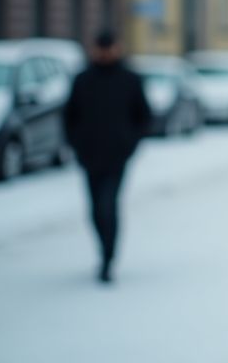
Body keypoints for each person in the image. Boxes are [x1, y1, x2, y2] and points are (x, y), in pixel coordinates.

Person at [62, 30, 151, 284]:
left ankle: (108, 259)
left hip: (117, 156)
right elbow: (69, 116)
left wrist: (130, 144)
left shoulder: (129, 79)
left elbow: (143, 116)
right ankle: (103, 250)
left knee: (107, 205)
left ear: (117, 48)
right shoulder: (83, 80)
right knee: (93, 210)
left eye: (109, 48)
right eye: (100, 48)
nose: (105, 53)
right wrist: (76, 144)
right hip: (89, 156)